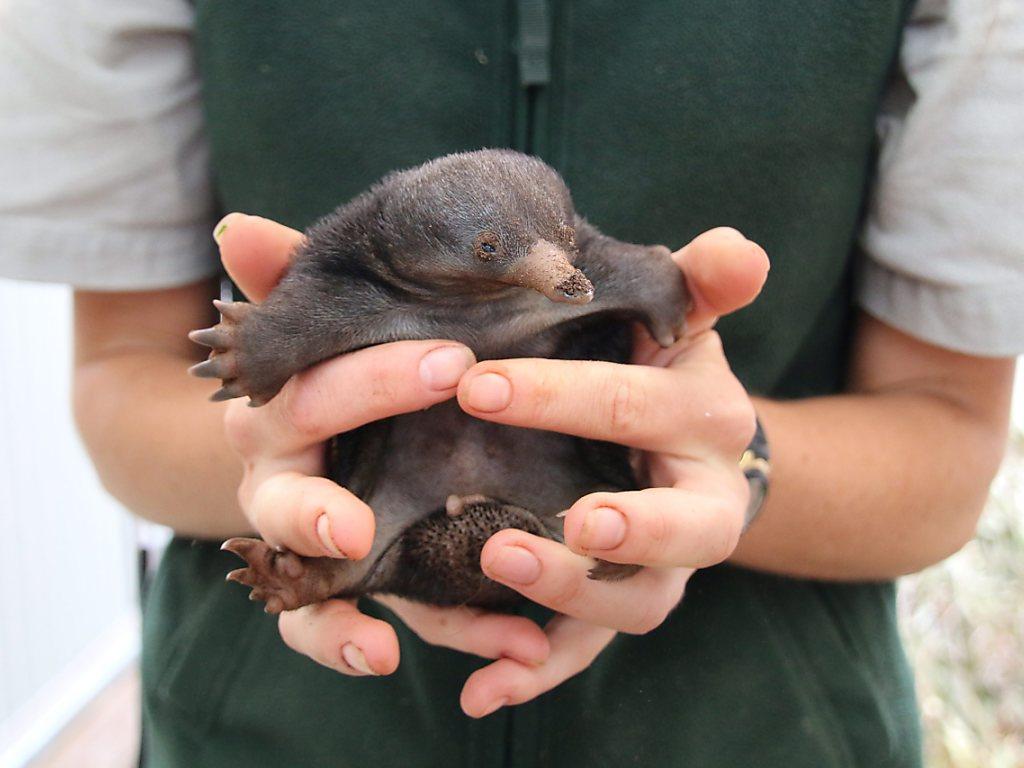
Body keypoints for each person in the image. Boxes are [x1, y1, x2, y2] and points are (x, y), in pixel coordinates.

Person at [1, 0, 1021, 766]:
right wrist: (289, 450)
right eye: (510, 253)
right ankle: (334, 566)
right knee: (368, 525)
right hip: (277, 732)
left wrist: (721, 469)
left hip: (759, 729)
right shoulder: (357, 271)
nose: (553, 272)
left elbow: (944, 439)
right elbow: (123, 377)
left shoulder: (572, 260)